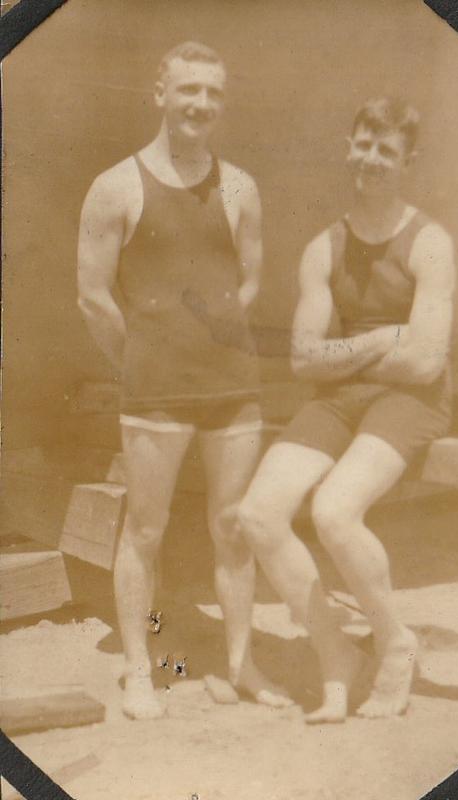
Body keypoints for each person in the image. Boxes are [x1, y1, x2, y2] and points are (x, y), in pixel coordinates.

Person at [77, 41, 290, 719]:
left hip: (232, 387)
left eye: (212, 93)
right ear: (160, 93)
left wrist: (211, 341)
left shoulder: (239, 187)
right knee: (145, 530)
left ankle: (240, 663)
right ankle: (141, 670)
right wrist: (140, 362)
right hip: (155, 392)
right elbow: (92, 297)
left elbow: (249, 281)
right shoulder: (116, 186)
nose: (200, 104)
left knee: (233, 529)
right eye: (188, 89)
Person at [238, 97, 455, 722]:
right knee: (258, 514)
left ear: (408, 161)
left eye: (387, 151)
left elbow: (424, 364)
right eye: (364, 145)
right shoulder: (323, 247)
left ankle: (394, 642)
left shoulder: (429, 242)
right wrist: (376, 340)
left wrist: (349, 354)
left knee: (334, 511)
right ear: (348, 147)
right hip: (341, 399)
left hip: (410, 401)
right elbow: (303, 361)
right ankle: (336, 651)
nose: (372, 161)